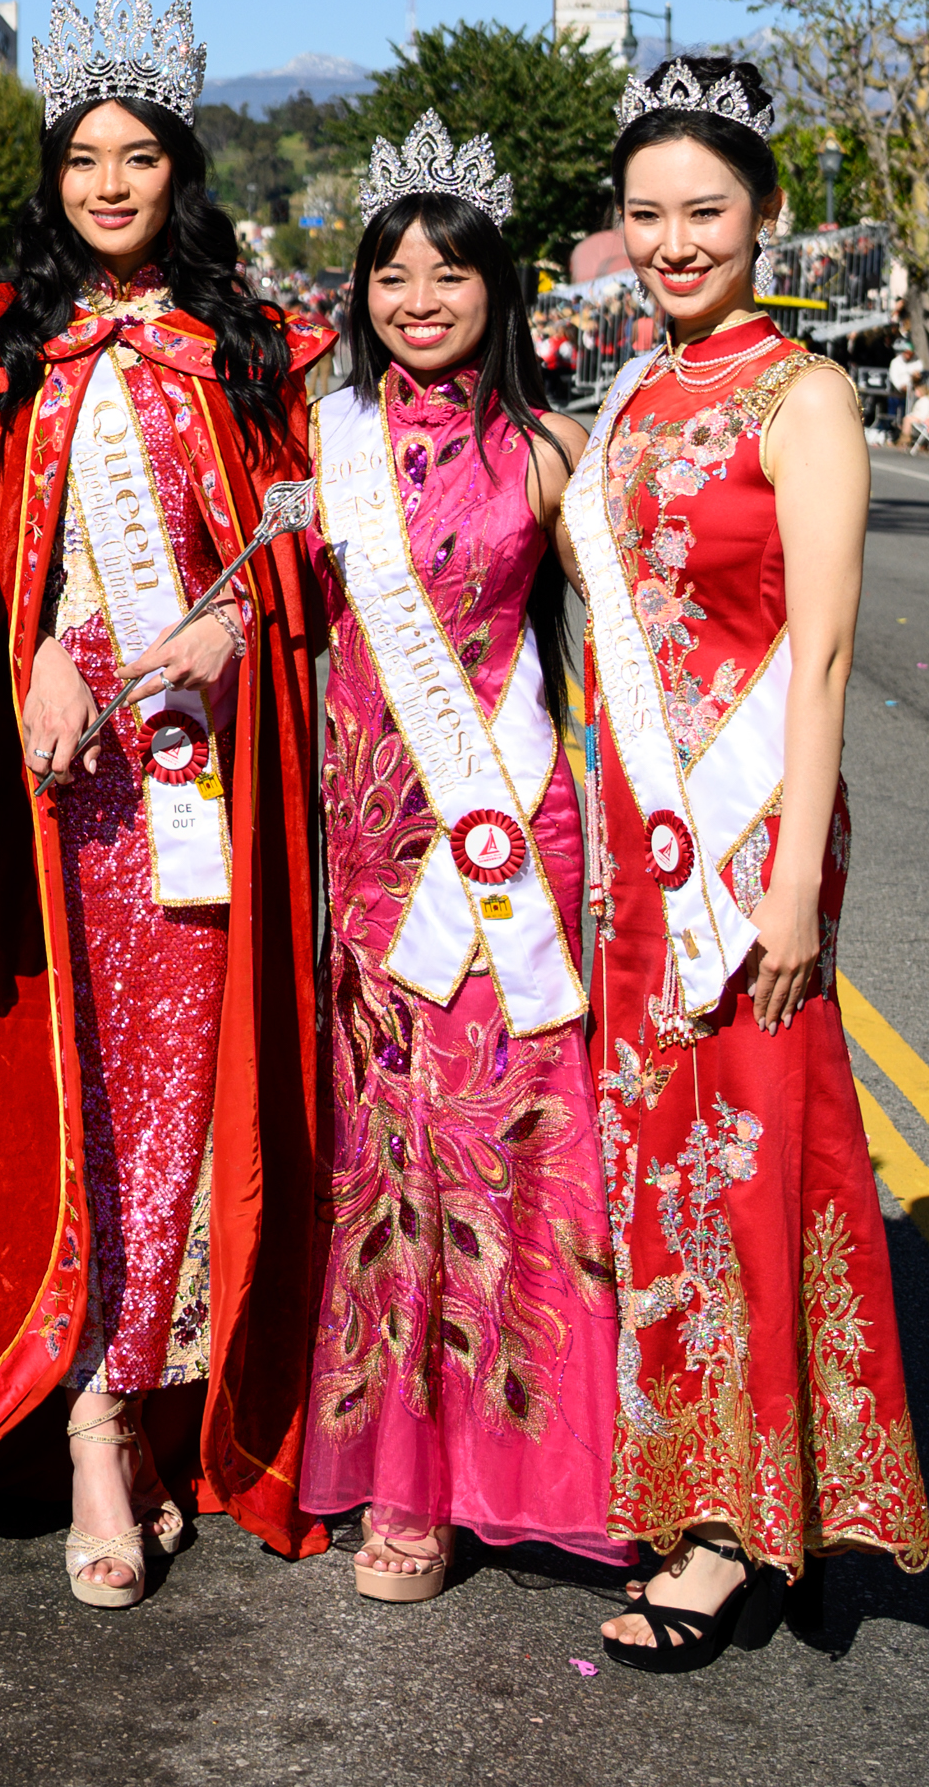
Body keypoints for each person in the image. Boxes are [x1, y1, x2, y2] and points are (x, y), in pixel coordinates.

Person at [0, 0, 325, 1609]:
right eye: (81, 159)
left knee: (177, 1099)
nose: (107, 185)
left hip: (202, 781)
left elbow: (304, 538)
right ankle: (81, 1412)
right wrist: (37, 658)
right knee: (65, 1096)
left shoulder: (247, 350)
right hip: (52, 790)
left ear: (180, 169)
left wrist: (230, 619)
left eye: (136, 157)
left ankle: (136, 1404)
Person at [562, 58, 929, 1672]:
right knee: (652, 1160)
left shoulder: (806, 397)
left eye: (704, 209)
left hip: (744, 842)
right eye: (646, 214)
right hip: (633, 850)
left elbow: (825, 654)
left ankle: (735, 1533)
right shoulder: (637, 392)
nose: (674, 241)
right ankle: (680, 1480)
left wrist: (791, 887)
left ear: (766, 211)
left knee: (750, 1160)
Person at [292, 114, 622, 1601]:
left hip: (506, 843)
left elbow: (632, 664)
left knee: (503, 1141)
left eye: (450, 271)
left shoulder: (552, 452)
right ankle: (403, 1477)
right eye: (392, 273)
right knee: (387, 1152)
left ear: (501, 286)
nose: (418, 298)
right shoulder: (327, 442)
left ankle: (523, 1460)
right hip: (367, 840)